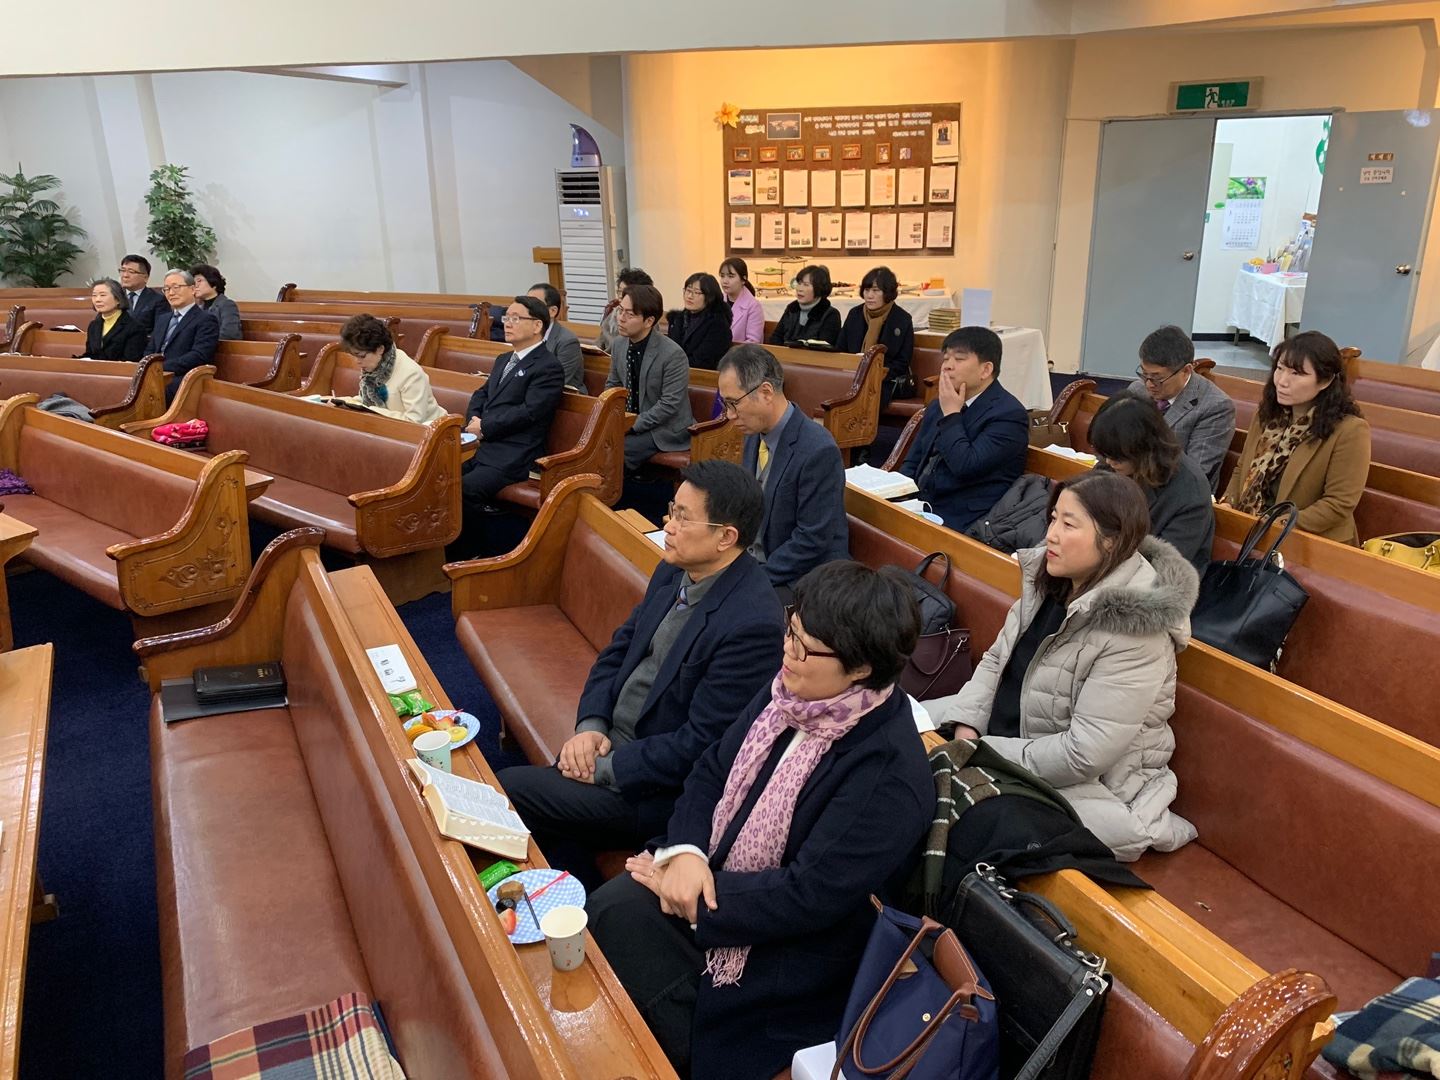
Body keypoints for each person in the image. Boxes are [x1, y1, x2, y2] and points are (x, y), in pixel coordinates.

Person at [587, 561, 932, 1080]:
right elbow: (710, 770)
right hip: (720, 879)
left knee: (621, 927)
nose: (787, 651)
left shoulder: (888, 775)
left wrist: (696, 896)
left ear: (861, 668)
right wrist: (686, 854)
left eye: (805, 647)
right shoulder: (790, 695)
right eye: (790, 631)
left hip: (789, 954)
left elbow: (808, 895)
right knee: (611, 912)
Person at [497, 461, 784, 866]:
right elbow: (619, 651)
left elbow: (700, 744)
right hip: (610, 742)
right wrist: (591, 725)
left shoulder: (751, 624)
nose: (668, 526)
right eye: (672, 510)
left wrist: (606, 768)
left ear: (726, 537)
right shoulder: (673, 571)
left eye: (683, 518)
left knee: (508, 790)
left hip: (651, 789)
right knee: (521, 800)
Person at [927, 470, 1199, 863]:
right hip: (1008, 744)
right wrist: (966, 725)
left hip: (1093, 787)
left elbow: (1084, 754)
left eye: (1068, 525)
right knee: (892, 726)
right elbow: (996, 661)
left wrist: (979, 751)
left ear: (1111, 539)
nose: (1051, 535)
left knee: (945, 813)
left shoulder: (1136, 630)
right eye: (1053, 518)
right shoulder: (1053, 580)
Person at [717, 344, 848, 599]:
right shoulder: (754, 434)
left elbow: (812, 540)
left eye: (734, 403)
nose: (729, 415)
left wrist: (752, 578)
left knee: (724, 606)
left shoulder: (818, 450)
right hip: (761, 561)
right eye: (725, 404)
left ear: (766, 392)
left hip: (803, 577)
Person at [1222, 331, 1371, 545]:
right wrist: (1228, 504)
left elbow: (1339, 503)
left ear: (1325, 380)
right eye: (1280, 369)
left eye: (1296, 374)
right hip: (1253, 528)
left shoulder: (1350, 430)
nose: (1282, 381)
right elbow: (1242, 468)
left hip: (1309, 540)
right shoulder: (1266, 415)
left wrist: (1275, 526)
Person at [899, 326, 1029, 531]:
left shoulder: (1009, 415)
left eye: (959, 359)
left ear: (986, 370)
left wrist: (952, 414)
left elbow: (964, 465)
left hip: (964, 518)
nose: (947, 366)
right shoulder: (940, 404)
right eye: (945, 358)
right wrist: (898, 494)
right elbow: (914, 459)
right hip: (922, 503)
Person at [459, 295, 566, 508]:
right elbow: (482, 393)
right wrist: (474, 420)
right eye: (506, 317)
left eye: (516, 318)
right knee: (441, 480)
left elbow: (529, 412)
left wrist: (485, 426)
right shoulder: (504, 359)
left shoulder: (548, 366)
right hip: (486, 447)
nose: (507, 323)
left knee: (465, 489)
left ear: (537, 326)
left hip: (515, 454)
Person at [1089, 394, 1214, 572]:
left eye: (1116, 457)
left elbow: (1165, 564)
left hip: (1156, 578)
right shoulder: (1113, 461)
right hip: (1102, 563)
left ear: (1144, 447)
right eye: (1105, 455)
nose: (1109, 462)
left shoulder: (1190, 491)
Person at [1126, 325, 1236, 489]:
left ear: (1186, 371)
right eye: (1144, 374)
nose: (1149, 384)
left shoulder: (1215, 407)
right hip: (1129, 485)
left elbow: (1195, 476)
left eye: (1157, 378)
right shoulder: (1137, 391)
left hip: (1175, 495)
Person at [605, 283, 694, 472]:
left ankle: (612, 489)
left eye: (630, 314)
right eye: (621, 311)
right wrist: (612, 416)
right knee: (594, 441)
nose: (621, 318)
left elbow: (669, 405)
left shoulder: (672, 354)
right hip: (629, 421)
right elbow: (613, 385)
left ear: (649, 321)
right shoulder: (619, 344)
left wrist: (631, 424)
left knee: (619, 449)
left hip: (666, 428)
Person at [331, 312, 445, 424]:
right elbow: (366, 402)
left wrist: (372, 411)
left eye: (362, 356)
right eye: (354, 356)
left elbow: (414, 420)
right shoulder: (373, 367)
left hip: (429, 429)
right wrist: (341, 402)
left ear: (380, 349)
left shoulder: (411, 373)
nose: (357, 362)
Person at [838, 265, 915, 404]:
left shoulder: (902, 319)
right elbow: (841, 348)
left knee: (870, 395)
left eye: (875, 290)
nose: (869, 296)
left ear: (887, 293)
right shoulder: (855, 314)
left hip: (884, 380)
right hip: (850, 375)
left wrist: (875, 373)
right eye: (866, 290)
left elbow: (902, 362)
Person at [148, 269, 220, 398]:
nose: (171, 293)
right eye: (166, 289)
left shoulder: (206, 319)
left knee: (152, 390)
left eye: (176, 287)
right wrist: (147, 366)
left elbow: (199, 355)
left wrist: (160, 367)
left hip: (184, 377)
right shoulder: (163, 319)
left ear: (192, 289)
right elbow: (150, 349)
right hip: (156, 373)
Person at [526, 282, 585, 393]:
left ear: (552, 311)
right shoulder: (525, 335)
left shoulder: (567, 341)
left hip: (565, 398)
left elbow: (556, 381)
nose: (528, 311)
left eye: (535, 305)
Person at [667, 272, 733, 370]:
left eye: (697, 293)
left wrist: (672, 364)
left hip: (702, 375)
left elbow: (703, 361)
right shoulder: (678, 320)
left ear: (710, 297)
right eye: (688, 290)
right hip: (674, 370)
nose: (689, 296)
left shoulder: (718, 325)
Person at [768, 264, 841, 348]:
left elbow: (825, 349)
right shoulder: (792, 309)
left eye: (806, 285)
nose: (799, 289)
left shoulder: (830, 315)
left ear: (819, 288)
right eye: (799, 283)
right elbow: (776, 338)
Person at [81, 278, 147, 360]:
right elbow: (90, 354)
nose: (97, 300)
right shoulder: (93, 325)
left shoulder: (135, 328)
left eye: (102, 295)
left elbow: (130, 360)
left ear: (118, 299)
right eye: (94, 295)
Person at [597, 267, 654, 353]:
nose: (621, 296)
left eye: (625, 292)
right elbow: (600, 343)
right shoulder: (612, 314)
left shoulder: (646, 319)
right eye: (619, 291)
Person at [117, 254, 169, 336]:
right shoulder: (114, 297)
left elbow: (160, 331)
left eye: (131, 272)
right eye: (123, 270)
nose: (125, 275)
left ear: (145, 277)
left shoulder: (158, 300)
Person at [190, 264, 241, 341]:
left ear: (213, 283)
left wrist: (201, 342)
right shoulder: (197, 307)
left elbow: (230, 333)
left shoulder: (227, 305)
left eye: (199, 281)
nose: (195, 285)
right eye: (193, 282)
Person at [719, 257, 763, 344]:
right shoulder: (718, 301)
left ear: (743, 279)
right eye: (722, 276)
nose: (725, 281)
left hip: (741, 352)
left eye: (731, 276)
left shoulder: (753, 306)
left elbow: (753, 341)